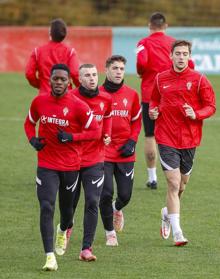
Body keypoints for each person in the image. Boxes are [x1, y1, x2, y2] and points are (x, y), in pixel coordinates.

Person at [24, 64, 100, 271]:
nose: (59, 82)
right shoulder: (39, 102)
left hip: (70, 166)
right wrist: (33, 140)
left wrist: (72, 137)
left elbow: (95, 131)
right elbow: (29, 123)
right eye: (55, 79)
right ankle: (49, 256)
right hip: (46, 164)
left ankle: (64, 228)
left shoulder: (78, 106)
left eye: (62, 79)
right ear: (50, 80)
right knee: (47, 206)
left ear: (69, 82)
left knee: (66, 211)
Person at [149, 40, 216, 246]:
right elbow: (153, 100)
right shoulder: (160, 79)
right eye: (177, 53)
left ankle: (167, 212)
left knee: (182, 185)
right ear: (171, 55)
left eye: (184, 53)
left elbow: (211, 106)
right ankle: (178, 232)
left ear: (189, 56)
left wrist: (196, 114)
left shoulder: (199, 80)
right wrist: (153, 111)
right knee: (173, 182)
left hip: (189, 139)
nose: (180, 57)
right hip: (166, 137)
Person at [60, 63, 112, 261]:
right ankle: (66, 226)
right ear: (79, 79)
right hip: (72, 159)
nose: (92, 78)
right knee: (69, 204)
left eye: (94, 74)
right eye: (87, 75)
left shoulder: (106, 99)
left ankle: (86, 249)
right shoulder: (70, 98)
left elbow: (107, 120)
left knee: (92, 201)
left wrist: (107, 135)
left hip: (95, 159)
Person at [136, 12, 194, 189]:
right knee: (174, 131)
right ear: (166, 26)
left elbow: (141, 62)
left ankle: (152, 177)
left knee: (150, 135)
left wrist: (141, 73)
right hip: (173, 97)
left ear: (149, 26)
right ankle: (177, 173)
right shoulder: (175, 44)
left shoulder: (143, 43)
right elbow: (190, 66)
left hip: (150, 95)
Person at [99, 55, 142, 246]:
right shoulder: (96, 94)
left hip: (125, 152)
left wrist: (132, 141)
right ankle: (110, 233)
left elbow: (136, 121)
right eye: (115, 68)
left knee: (125, 195)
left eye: (121, 69)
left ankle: (118, 209)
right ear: (106, 70)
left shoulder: (132, 94)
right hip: (103, 152)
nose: (118, 72)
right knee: (105, 193)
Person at [25, 18, 80, 95]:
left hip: (44, 95)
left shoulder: (38, 51)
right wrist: (80, 88)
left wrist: (40, 85)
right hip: (65, 95)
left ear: (50, 32)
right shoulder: (70, 52)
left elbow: (29, 73)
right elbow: (75, 73)